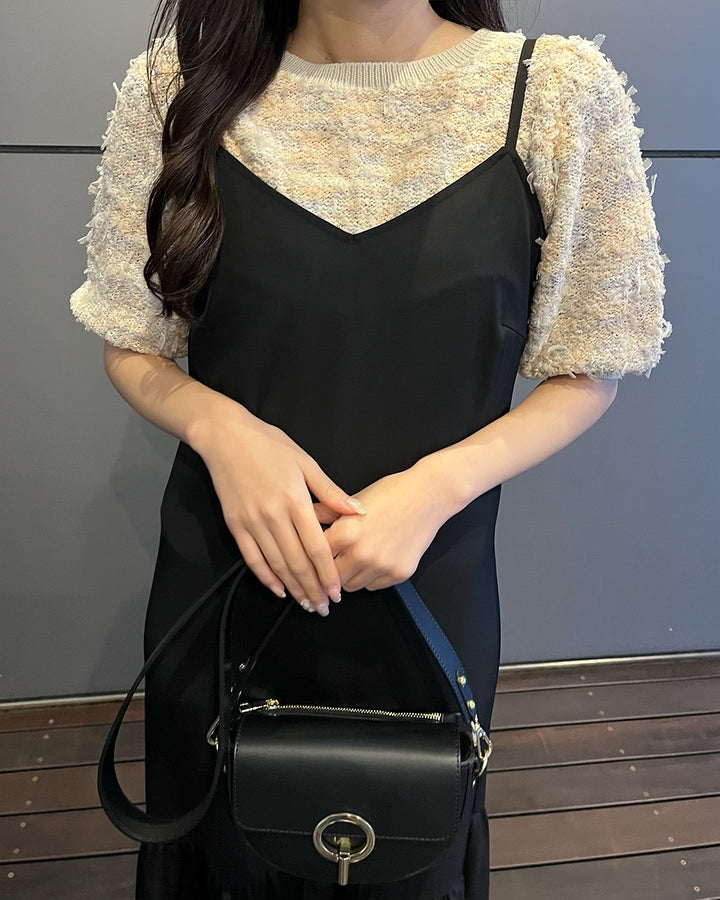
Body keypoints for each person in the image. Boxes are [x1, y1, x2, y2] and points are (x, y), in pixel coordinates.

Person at [68, 0, 672, 896]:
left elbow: (594, 363)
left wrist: (437, 487)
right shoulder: (177, 88)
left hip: (427, 573)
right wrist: (222, 429)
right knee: (218, 853)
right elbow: (132, 341)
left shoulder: (554, 91)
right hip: (228, 575)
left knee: (408, 846)